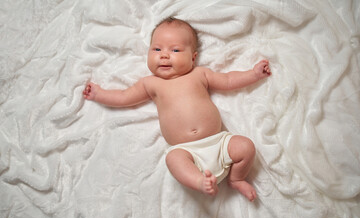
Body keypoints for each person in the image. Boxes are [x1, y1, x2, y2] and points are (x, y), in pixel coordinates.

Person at [83, 17, 271, 201]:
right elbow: (124, 97)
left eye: (175, 50)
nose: (164, 55)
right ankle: (200, 182)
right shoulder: (151, 84)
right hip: (187, 151)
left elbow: (228, 80)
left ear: (193, 57)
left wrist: (253, 74)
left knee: (246, 147)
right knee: (173, 159)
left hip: (219, 142)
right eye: (157, 49)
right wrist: (99, 94)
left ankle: (236, 179)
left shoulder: (199, 74)